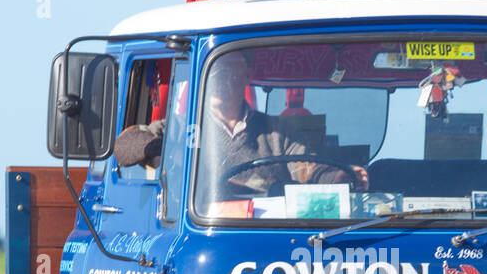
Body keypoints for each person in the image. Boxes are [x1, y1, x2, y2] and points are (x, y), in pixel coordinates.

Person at [114, 51, 367, 203]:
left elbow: (308, 169)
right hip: (203, 227)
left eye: (229, 71)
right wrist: (167, 148)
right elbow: (124, 146)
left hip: (261, 235)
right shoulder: (180, 128)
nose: (220, 78)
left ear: (247, 75)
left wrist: (339, 177)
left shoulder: (278, 132)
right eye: (215, 70)